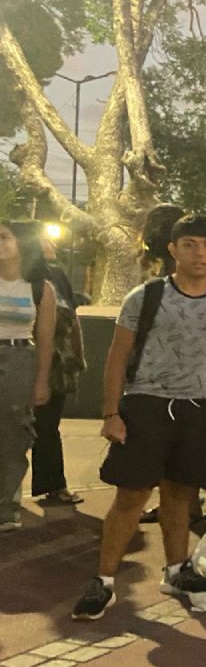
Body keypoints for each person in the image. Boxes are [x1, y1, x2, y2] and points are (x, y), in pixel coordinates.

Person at [72, 214, 206, 619]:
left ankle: (176, 571)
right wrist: (111, 413)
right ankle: (103, 580)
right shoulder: (146, 296)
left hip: (203, 409)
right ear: (172, 249)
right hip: (147, 406)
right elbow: (117, 357)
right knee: (131, 497)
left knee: (181, 494)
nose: (199, 253)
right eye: (189, 244)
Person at [0, 221, 54, 531]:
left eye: (5, 236)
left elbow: (45, 339)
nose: (0, 242)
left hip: (20, 357)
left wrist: (41, 380)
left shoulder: (39, 288)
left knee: (12, 436)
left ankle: (6, 508)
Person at [30, 233, 87, 506]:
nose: (51, 243)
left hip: (56, 365)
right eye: (43, 239)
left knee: (48, 426)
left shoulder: (57, 275)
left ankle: (53, 486)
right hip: (20, 359)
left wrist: (78, 354)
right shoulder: (17, 279)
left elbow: (73, 318)